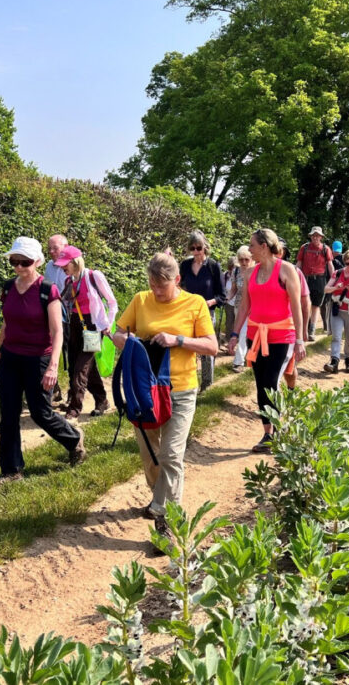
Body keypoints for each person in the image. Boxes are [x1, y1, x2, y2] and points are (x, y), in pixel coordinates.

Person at [112, 253, 217, 545]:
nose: (157, 291)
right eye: (153, 285)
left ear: (177, 280)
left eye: (163, 286)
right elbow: (117, 333)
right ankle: (160, 496)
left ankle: (165, 519)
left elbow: (212, 347)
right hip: (144, 391)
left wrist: (177, 340)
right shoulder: (140, 300)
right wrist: (130, 342)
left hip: (181, 389)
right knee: (150, 455)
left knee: (171, 454)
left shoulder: (195, 303)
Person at [0, 237, 85, 486]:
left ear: (36, 262)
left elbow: (57, 332)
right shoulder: (8, 287)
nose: (19, 267)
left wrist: (53, 366)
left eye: (24, 262)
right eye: (15, 261)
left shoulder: (47, 290)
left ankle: (73, 439)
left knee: (41, 412)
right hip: (11, 357)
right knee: (9, 415)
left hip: (38, 359)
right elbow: (6, 323)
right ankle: (11, 471)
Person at [229, 229, 307, 453]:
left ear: (264, 246)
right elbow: (245, 306)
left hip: (282, 336)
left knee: (271, 382)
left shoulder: (287, 269)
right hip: (256, 335)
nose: (249, 249)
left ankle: (280, 426)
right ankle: (268, 434)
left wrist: (300, 340)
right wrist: (235, 335)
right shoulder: (250, 272)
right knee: (260, 384)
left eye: (252, 245)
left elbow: (296, 306)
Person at [56, 245, 118, 420]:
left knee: (81, 369)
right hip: (74, 325)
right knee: (84, 367)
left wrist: (107, 324)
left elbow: (112, 303)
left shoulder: (93, 276)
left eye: (65, 264)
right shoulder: (70, 281)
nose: (62, 267)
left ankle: (75, 408)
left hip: (92, 326)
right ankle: (102, 400)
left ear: (75, 262)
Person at [179, 230, 225, 392]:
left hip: (207, 313)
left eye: (199, 247)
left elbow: (222, 296)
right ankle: (186, 382)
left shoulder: (213, 266)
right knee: (186, 346)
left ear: (205, 247)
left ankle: (206, 384)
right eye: (192, 248)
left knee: (205, 349)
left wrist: (209, 302)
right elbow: (180, 286)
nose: (196, 251)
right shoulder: (185, 265)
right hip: (187, 312)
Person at [279, 238, 311, 390]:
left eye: (280, 248)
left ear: (285, 251)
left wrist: (303, 329)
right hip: (266, 327)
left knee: (288, 368)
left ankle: (291, 390)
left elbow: (305, 302)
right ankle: (270, 399)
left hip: (289, 327)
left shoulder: (295, 272)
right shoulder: (260, 270)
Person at [295, 226, 334, 342]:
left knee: (316, 306)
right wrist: (294, 277)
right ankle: (304, 330)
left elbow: (330, 265)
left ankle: (311, 330)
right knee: (304, 304)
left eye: (318, 236)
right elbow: (299, 263)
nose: (316, 238)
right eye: (314, 235)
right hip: (305, 279)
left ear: (321, 237)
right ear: (311, 236)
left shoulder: (326, 249)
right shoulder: (304, 248)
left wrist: (334, 279)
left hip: (320, 279)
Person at [44, 234, 70, 404]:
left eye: (56, 248)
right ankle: (54, 390)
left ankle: (78, 394)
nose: (52, 252)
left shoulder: (74, 265)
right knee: (50, 351)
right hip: (53, 316)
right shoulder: (49, 266)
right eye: (49, 248)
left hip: (73, 317)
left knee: (74, 355)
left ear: (66, 247)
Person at [225, 245, 254, 372]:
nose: (243, 262)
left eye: (246, 259)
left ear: (251, 259)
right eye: (241, 259)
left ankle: (240, 361)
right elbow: (233, 289)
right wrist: (226, 298)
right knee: (243, 332)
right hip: (239, 306)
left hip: (254, 307)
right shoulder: (236, 272)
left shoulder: (256, 271)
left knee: (246, 333)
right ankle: (244, 359)